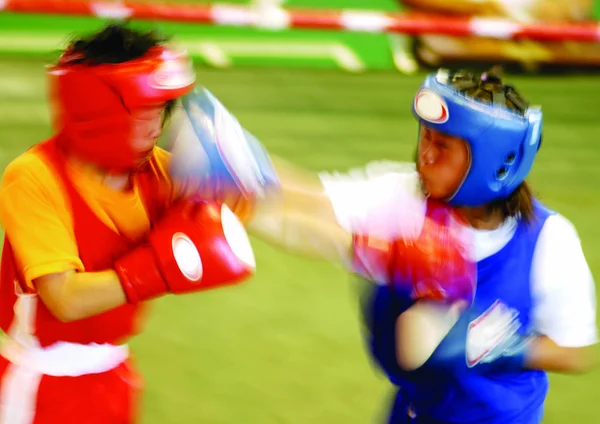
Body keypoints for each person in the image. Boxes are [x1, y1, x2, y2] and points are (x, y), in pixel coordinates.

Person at [172, 67, 598, 423]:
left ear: (491, 165)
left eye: (444, 146)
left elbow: (573, 350)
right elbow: (315, 202)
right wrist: (239, 170)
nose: (425, 155)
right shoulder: (404, 195)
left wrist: (498, 346)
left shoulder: (550, 240)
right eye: (426, 136)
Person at [0, 23, 257, 423]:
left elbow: (239, 216)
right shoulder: (34, 177)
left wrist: (240, 180)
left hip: (114, 373)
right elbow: (65, 300)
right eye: (141, 110)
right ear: (96, 108)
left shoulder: (161, 171)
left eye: (159, 109)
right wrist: (159, 269)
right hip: (39, 381)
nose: (155, 126)